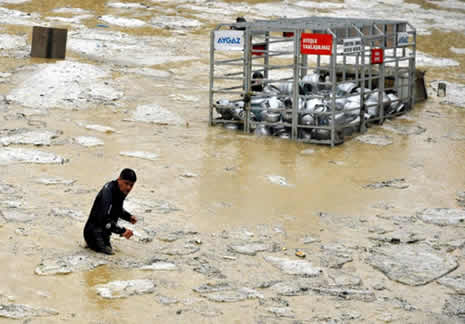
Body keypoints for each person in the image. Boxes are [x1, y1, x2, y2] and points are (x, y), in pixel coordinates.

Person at [83, 168, 138, 255]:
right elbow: (103, 218)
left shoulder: (120, 190)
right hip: (93, 232)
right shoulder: (107, 191)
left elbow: (117, 209)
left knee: (110, 254)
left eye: (131, 185)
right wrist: (122, 231)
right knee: (109, 258)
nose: (128, 188)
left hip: (104, 233)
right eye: (126, 183)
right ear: (119, 179)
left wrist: (128, 217)